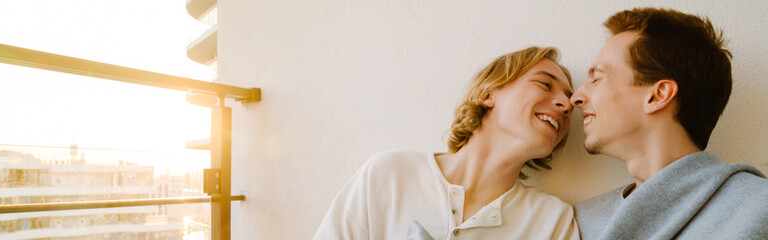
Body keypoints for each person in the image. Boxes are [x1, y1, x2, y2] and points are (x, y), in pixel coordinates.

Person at [314, 46, 579, 239]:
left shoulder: (553, 221)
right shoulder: (390, 174)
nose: (566, 105)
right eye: (545, 84)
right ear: (487, 94)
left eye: (570, 101)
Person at [571, 8, 768, 239]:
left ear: (657, 96)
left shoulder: (757, 208)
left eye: (596, 78)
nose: (575, 98)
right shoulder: (577, 222)